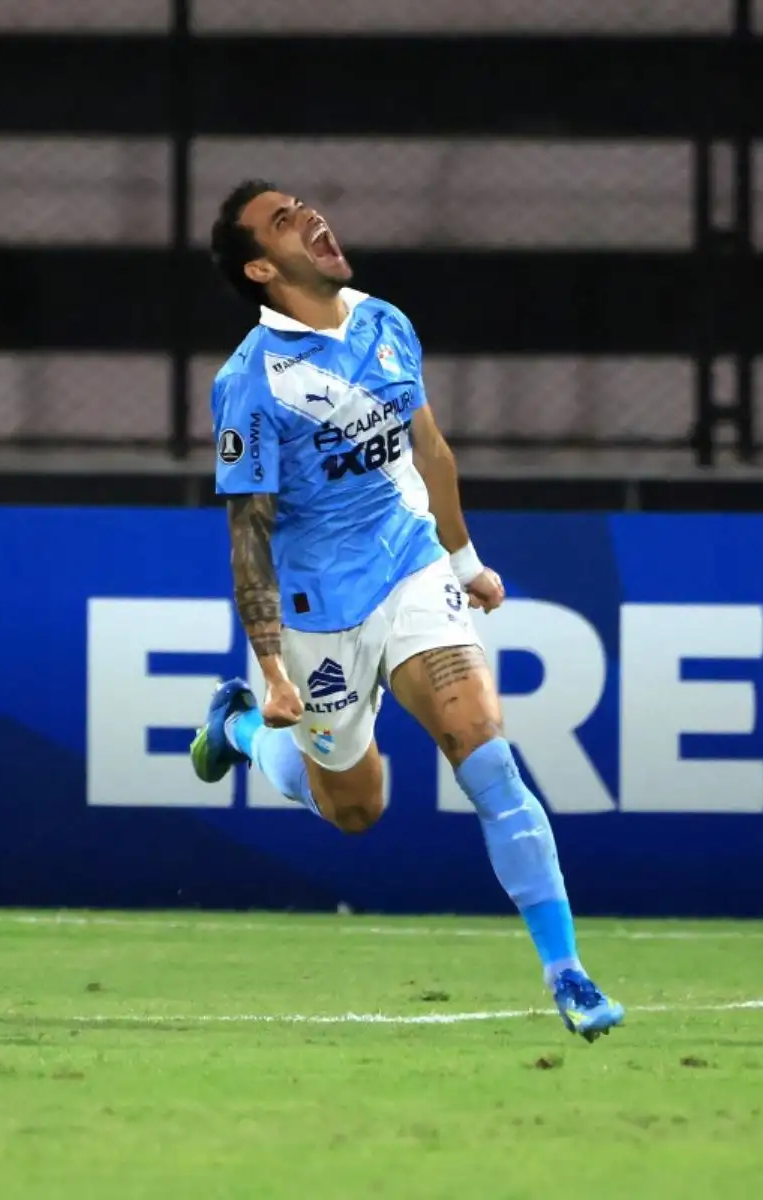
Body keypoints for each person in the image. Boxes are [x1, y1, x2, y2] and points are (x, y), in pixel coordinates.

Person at [187, 180, 623, 1041]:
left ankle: (567, 972)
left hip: (413, 567)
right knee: (357, 810)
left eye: (304, 205)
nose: (310, 217)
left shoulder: (385, 322)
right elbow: (249, 534)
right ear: (261, 267)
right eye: (283, 220)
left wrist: (465, 561)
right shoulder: (251, 384)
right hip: (321, 609)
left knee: (488, 762)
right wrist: (272, 672)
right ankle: (240, 729)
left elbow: (430, 450)